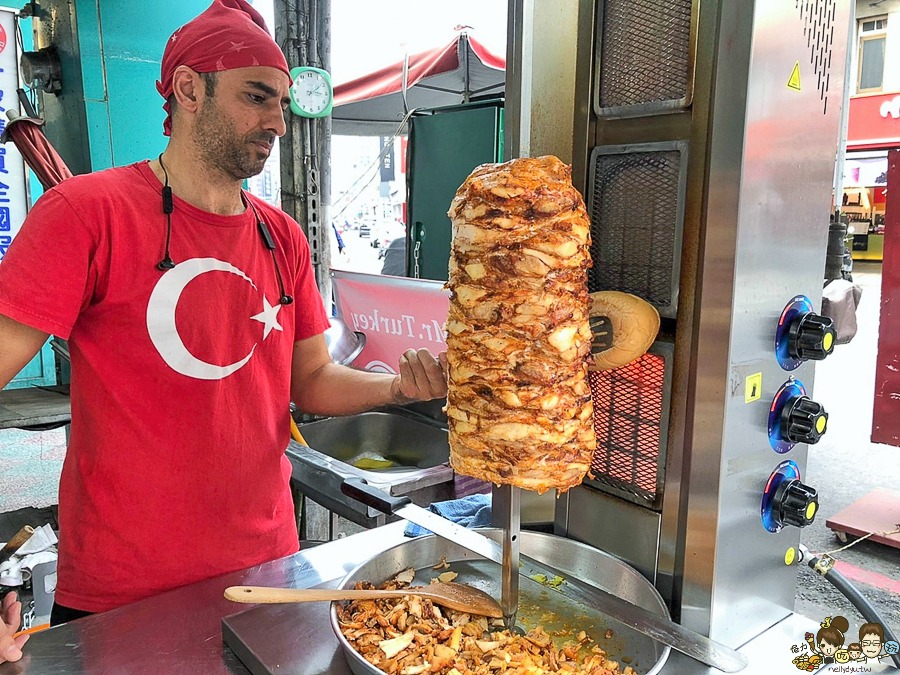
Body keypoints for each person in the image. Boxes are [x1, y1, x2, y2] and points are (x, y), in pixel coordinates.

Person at [0, 0, 446, 664]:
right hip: (124, 592)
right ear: (187, 89)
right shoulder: (86, 215)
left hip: (266, 575)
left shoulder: (281, 236)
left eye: (283, 102)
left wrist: (395, 387)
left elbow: (312, 380)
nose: (278, 121)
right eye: (257, 97)